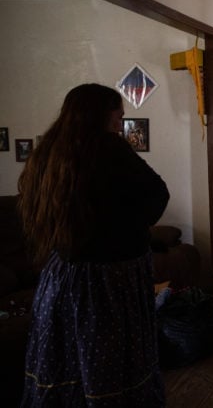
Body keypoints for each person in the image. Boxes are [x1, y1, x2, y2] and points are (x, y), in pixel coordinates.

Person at [17, 83, 170, 406]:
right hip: (111, 277)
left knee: (66, 350)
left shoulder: (48, 151)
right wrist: (129, 226)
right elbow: (157, 193)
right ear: (101, 114)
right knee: (111, 353)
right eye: (118, 116)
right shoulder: (111, 148)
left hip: (62, 275)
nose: (120, 123)